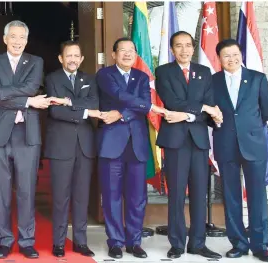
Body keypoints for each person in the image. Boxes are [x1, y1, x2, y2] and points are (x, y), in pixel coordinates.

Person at [0, 20, 47, 259]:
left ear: (26, 40)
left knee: (26, 190)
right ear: (5, 38)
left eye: (22, 38)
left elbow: (31, 87)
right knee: (1, 190)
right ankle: (4, 240)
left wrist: (4, 91)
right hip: (0, 133)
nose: (17, 41)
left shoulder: (36, 62)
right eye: (13, 37)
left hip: (27, 133)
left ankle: (27, 241)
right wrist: (28, 101)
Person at [96, 37, 166, 260]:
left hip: (136, 144)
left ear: (136, 54)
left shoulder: (142, 77)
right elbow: (120, 95)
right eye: (122, 50)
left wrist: (121, 113)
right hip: (112, 144)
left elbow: (142, 104)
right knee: (112, 196)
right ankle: (115, 242)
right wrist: (141, 107)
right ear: (114, 54)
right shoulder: (105, 75)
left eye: (131, 50)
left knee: (137, 197)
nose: (127, 54)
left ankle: (134, 242)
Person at [154, 31, 223, 259]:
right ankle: (176, 243)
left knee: (199, 194)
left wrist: (189, 115)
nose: (184, 50)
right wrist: (203, 108)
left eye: (187, 45)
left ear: (193, 48)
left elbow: (211, 104)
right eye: (178, 46)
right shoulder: (163, 71)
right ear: (172, 49)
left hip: (198, 140)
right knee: (176, 194)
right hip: (175, 141)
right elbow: (172, 102)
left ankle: (198, 244)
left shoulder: (204, 72)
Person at [211, 39, 268, 262]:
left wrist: (248, 127)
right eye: (226, 55)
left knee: (257, 196)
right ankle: (238, 243)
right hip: (225, 144)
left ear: (241, 55)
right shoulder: (213, 81)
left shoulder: (257, 78)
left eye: (235, 54)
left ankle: (260, 245)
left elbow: (267, 110)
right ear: (219, 58)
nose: (232, 59)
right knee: (231, 196)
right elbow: (210, 115)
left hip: (253, 144)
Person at [44, 40, 101, 258]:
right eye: (69, 56)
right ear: (61, 58)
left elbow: (94, 103)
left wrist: (69, 102)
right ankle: (58, 243)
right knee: (60, 197)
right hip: (61, 145)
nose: (73, 60)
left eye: (77, 56)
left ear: (82, 58)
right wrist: (84, 111)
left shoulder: (89, 79)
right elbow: (56, 112)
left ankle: (80, 241)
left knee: (81, 196)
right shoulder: (52, 79)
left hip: (85, 145)